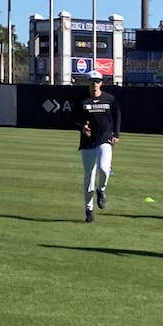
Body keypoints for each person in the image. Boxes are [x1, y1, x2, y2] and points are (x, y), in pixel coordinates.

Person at [73, 72, 121, 223]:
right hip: (88, 143)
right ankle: (89, 209)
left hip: (104, 140)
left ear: (101, 83)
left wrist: (116, 134)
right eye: (92, 81)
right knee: (89, 177)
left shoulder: (109, 99)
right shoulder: (82, 100)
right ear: (88, 83)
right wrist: (82, 126)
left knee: (104, 168)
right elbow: (73, 119)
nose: (95, 84)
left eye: (97, 81)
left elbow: (117, 114)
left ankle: (101, 190)